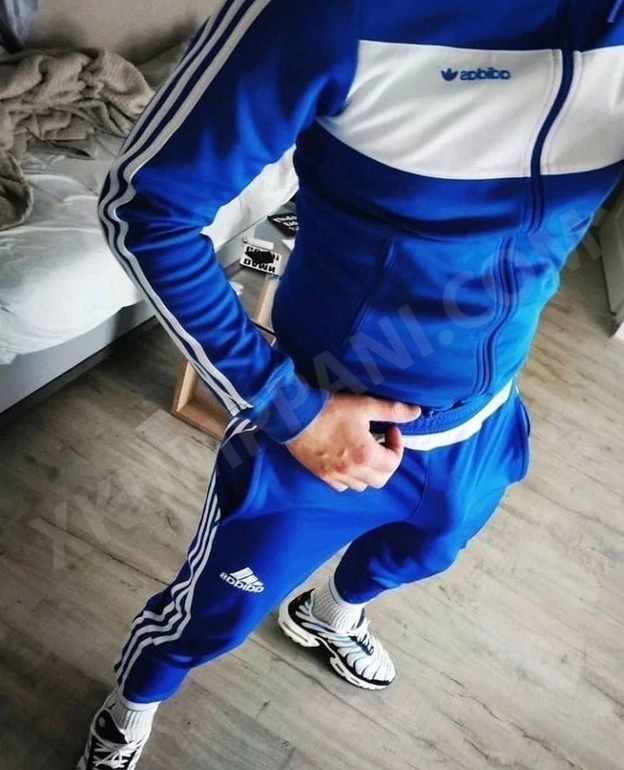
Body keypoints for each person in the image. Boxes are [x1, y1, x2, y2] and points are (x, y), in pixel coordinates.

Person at [77, 1, 624, 767]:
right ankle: (129, 709)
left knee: (425, 551)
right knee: (213, 615)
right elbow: (145, 210)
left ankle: (330, 614)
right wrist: (287, 409)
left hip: (482, 416)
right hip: (316, 424)